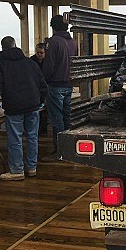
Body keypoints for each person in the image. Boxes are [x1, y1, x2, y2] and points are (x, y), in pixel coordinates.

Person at [0, 36, 47, 181]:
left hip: (14, 107)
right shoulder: (31, 64)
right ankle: (32, 168)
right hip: (33, 105)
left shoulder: (0, 66)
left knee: (15, 138)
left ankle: (17, 170)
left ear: (2, 48)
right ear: (15, 46)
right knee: (32, 137)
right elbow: (43, 85)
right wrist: (40, 101)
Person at [41, 15, 78, 162]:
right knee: (66, 116)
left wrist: (43, 79)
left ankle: (60, 151)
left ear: (53, 27)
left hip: (55, 85)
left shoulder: (54, 42)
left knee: (57, 119)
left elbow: (49, 65)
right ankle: (69, 148)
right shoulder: (73, 42)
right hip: (69, 84)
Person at [31, 42, 48, 134]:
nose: (39, 55)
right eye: (38, 53)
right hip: (35, 86)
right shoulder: (32, 60)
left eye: (41, 53)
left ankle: (43, 128)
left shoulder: (48, 61)